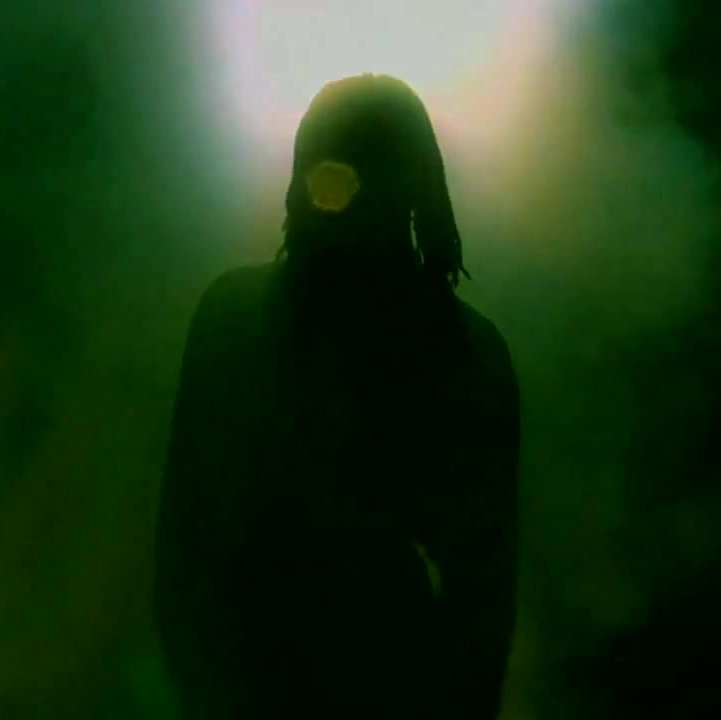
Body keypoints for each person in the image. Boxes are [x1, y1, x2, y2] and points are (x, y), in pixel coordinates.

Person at [153, 74, 520, 719]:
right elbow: (483, 606)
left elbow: (184, 546)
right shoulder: (467, 350)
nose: (334, 197)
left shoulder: (234, 318)